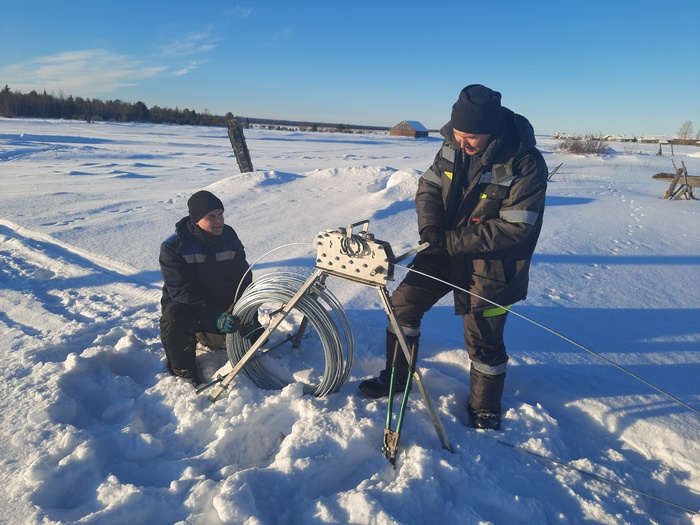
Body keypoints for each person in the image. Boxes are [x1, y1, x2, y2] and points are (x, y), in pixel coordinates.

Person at [359, 84, 548, 430]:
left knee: (484, 340)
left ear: (492, 130)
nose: (462, 143)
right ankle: (397, 377)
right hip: (443, 249)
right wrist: (431, 228)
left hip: (493, 267)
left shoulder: (526, 164)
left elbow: (514, 229)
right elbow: (428, 187)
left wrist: (451, 240)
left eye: (471, 137)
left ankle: (485, 407)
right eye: (457, 133)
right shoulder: (451, 145)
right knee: (402, 306)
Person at [159, 190, 253, 385]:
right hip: (191, 313)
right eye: (211, 216)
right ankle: (183, 371)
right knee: (175, 314)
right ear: (196, 220)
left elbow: (243, 278)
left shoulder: (229, 237)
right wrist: (214, 317)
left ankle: (219, 337)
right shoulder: (173, 247)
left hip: (223, 311)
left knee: (256, 336)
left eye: (220, 214)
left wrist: (243, 311)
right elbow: (182, 293)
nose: (219, 221)